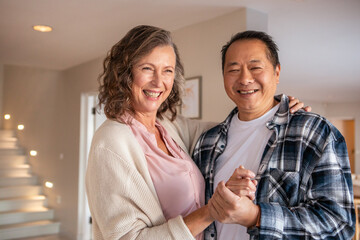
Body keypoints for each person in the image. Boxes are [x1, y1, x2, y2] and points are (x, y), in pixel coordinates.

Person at [86, 25, 308, 240]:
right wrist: (211, 211)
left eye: (167, 71)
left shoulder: (171, 127)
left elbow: (238, 125)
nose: (158, 81)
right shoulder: (111, 142)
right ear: (125, 73)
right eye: (147, 68)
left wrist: (278, 109)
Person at [192, 30, 356, 240]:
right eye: (233, 69)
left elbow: (339, 224)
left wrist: (256, 216)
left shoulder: (313, 131)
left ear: (277, 72)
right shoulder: (207, 142)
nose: (244, 78)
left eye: (255, 67)